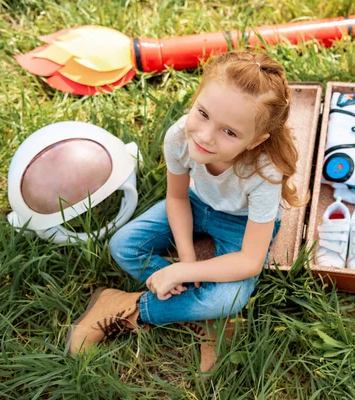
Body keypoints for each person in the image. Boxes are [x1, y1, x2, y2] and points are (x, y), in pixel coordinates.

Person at [66, 51, 304, 372]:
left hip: (240, 223)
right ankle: (205, 314)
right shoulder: (179, 137)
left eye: (229, 132)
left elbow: (249, 261)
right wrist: (187, 260)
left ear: (255, 141)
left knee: (229, 299)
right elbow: (177, 199)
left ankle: (127, 307)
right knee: (122, 245)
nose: (205, 136)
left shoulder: (264, 172)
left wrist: (181, 273)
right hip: (194, 203)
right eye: (203, 113)